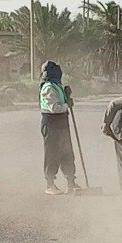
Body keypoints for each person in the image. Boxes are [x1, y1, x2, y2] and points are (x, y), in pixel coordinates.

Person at [38, 60, 78, 195]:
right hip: (51, 124)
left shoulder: (57, 85)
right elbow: (54, 108)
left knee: (67, 153)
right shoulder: (48, 87)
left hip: (61, 123)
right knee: (52, 155)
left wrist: (66, 96)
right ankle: (50, 185)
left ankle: (71, 182)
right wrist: (67, 104)